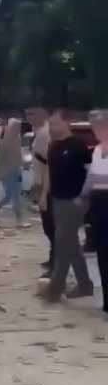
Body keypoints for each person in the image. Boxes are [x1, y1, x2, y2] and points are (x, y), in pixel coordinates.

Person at [40, 109, 94, 302]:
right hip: (57, 200)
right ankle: (85, 284)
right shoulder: (53, 146)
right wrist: (44, 195)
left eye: (55, 123)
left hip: (74, 201)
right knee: (69, 244)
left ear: (66, 122)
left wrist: (85, 197)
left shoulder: (78, 147)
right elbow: (49, 171)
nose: (52, 127)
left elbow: (91, 174)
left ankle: (55, 289)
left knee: (63, 242)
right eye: (51, 123)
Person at [82, 110, 108, 318]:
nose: (97, 131)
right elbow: (90, 179)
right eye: (96, 128)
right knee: (102, 253)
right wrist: (83, 197)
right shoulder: (97, 150)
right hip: (98, 205)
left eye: (101, 127)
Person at [26, 107, 55, 274]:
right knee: (48, 225)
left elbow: (48, 163)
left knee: (50, 226)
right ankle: (54, 258)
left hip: (48, 185)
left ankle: (56, 262)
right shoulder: (39, 132)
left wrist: (43, 188)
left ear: (43, 115)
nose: (29, 117)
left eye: (32, 113)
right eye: (27, 114)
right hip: (41, 182)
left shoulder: (45, 133)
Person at [0, 118, 24, 226]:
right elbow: (0, 150)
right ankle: (18, 218)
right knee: (12, 195)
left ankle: (17, 217)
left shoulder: (17, 139)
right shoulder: (6, 140)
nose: (18, 129)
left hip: (16, 170)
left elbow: (19, 156)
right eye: (16, 126)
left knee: (14, 195)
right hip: (8, 172)